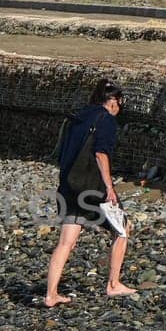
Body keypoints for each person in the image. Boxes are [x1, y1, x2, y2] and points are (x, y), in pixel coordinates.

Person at [44, 80, 136, 306]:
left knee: (66, 242)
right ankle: (113, 284)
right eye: (120, 103)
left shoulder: (77, 118)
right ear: (113, 101)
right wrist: (109, 187)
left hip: (68, 185)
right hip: (91, 186)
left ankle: (50, 295)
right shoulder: (105, 120)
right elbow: (100, 154)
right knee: (122, 228)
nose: (119, 108)